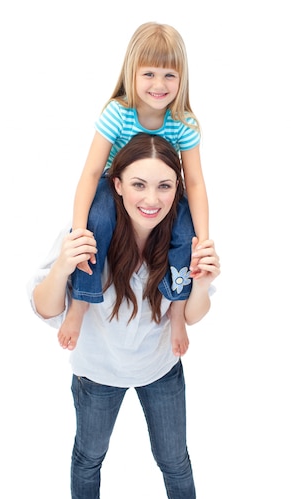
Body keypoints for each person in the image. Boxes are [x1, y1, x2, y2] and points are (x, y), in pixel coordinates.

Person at [29, 134, 222, 499]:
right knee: (89, 457)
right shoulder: (88, 231)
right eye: (138, 185)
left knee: (174, 460)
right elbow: (42, 307)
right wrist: (61, 270)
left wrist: (200, 283)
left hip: (161, 370)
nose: (151, 199)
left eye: (164, 187)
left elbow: (193, 317)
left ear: (178, 189)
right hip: (97, 374)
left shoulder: (181, 241)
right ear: (115, 184)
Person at [58, 22, 210, 358]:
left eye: (169, 75)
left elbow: (195, 183)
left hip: (165, 194)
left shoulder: (184, 122)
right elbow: (92, 171)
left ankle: (176, 310)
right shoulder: (118, 113)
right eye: (150, 74)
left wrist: (203, 238)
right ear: (132, 73)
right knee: (98, 218)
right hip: (117, 187)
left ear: (182, 78)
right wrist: (80, 228)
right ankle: (81, 302)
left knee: (186, 235)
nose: (159, 85)